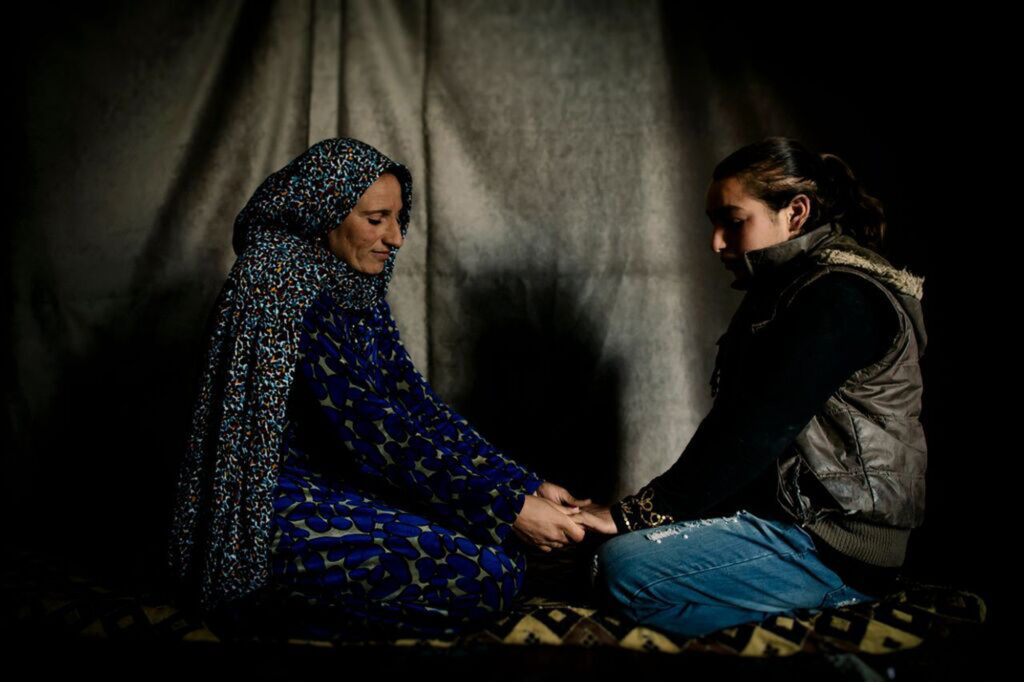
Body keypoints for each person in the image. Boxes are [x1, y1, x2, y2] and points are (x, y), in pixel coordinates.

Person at [166, 138, 587, 638]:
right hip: (270, 506)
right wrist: (508, 508)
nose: (396, 237)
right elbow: (374, 433)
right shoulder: (277, 281)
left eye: (397, 217)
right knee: (488, 575)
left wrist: (521, 484)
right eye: (376, 218)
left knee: (503, 551)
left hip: (339, 484)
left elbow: (415, 406)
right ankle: (265, 600)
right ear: (324, 213)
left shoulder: (350, 284)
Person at [577, 137, 927, 638]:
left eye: (733, 221)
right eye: (714, 224)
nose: (717, 243)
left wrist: (631, 515)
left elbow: (749, 434)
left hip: (835, 544)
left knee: (626, 571)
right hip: (789, 522)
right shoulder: (793, 288)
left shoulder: (840, 296)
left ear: (796, 212)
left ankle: (821, 621)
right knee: (606, 559)